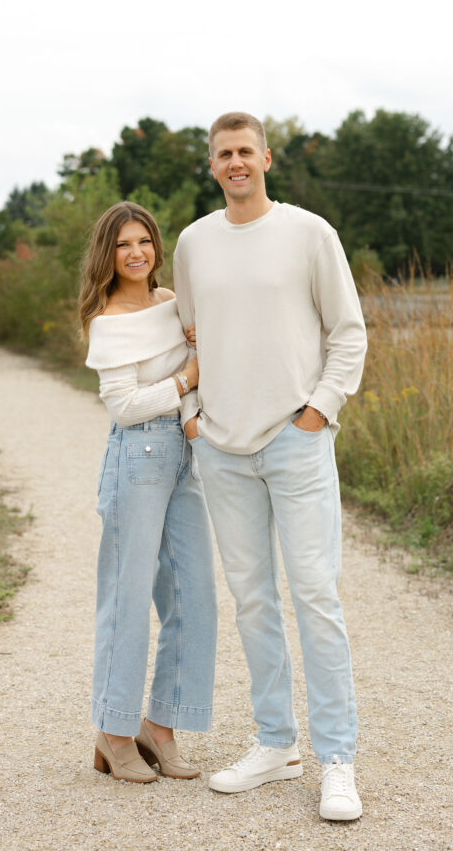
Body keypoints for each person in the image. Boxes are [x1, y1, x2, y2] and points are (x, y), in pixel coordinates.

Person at [173, 112, 367, 821]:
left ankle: (336, 759)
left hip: (295, 440)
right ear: (212, 163)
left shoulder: (309, 233)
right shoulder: (194, 243)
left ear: (265, 157)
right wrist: (191, 412)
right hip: (220, 446)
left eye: (244, 151)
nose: (235, 162)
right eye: (223, 153)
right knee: (252, 600)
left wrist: (317, 410)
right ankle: (276, 744)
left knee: (315, 597)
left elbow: (347, 333)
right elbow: (185, 336)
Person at [80, 201, 217, 784]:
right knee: (128, 596)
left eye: (144, 242)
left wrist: (196, 348)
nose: (136, 253)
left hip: (184, 454)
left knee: (196, 594)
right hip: (137, 456)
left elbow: (203, 353)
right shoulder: (108, 320)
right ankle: (113, 731)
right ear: (107, 255)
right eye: (123, 245)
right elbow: (125, 406)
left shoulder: (170, 305)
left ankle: (160, 728)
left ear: (156, 247)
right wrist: (188, 376)